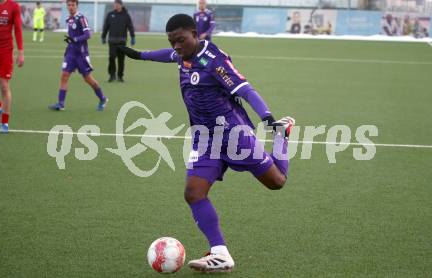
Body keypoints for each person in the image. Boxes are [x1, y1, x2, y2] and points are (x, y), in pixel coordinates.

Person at [118, 14, 295, 272]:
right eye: (172, 42)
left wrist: (268, 118)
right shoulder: (181, 55)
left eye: (181, 40)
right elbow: (164, 54)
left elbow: (246, 90)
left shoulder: (214, 61)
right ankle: (220, 253)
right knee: (193, 193)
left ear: (195, 34)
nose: (176, 47)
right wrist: (138, 55)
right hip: (205, 139)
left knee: (277, 182)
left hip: (235, 136)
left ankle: (281, 137)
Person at [49, 0, 107, 111]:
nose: (70, 7)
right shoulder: (69, 19)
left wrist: (75, 39)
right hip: (71, 52)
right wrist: (70, 40)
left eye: (73, 5)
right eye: (69, 5)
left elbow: (88, 34)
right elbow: (73, 36)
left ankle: (103, 98)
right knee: (64, 75)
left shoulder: (81, 18)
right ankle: (61, 104)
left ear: (77, 5)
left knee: (88, 79)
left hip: (81, 53)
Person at [0, 0, 24, 133]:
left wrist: (20, 51)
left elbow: (17, 29)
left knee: (4, 86)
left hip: (5, 52)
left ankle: (5, 122)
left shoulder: (14, 6)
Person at [101, 0, 135, 82]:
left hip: (122, 41)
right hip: (112, 41)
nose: (115, 6)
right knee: (112, 57)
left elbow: (130, 26)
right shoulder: (110, 15)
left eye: (117, 4)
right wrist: (103, 36)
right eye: (114, 4)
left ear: (121, 5)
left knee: (121, 59)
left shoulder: (126, 15)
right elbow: (106, 26)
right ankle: (112, 75)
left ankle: (120, 76)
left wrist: (132, 36)